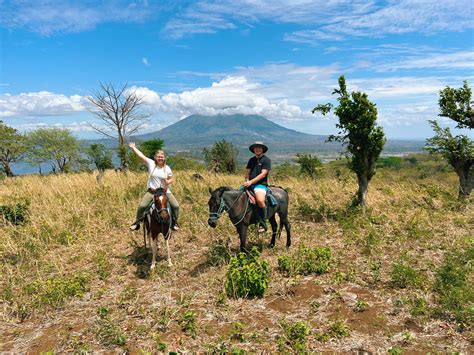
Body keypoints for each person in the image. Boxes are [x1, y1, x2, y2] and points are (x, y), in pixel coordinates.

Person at [128, 142, 180, 231]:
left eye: (162, 157)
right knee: (142, 206)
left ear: (164, 158)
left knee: (176, 206)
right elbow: (141, 156)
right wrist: (133, 148)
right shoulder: (151, 163)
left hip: (164, 192)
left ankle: (174, 222)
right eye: (158, 157)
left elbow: (171, 178)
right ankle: (137, 222)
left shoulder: (167, 168)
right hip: (152, 191)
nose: (160, 158)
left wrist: (168, 181)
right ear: (155, 157)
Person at [243, 141, 271, 232]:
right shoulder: (251, 160)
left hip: (260, 185)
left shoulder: (266, 160)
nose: (257, 149)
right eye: (256, 148)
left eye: (259, 147)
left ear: (262, 149)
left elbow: (263, 174)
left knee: (259, 200)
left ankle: (263, 224)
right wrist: (246, 180)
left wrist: (250, 182)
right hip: (249, 183)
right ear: (253, 149)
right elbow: (247, 172)